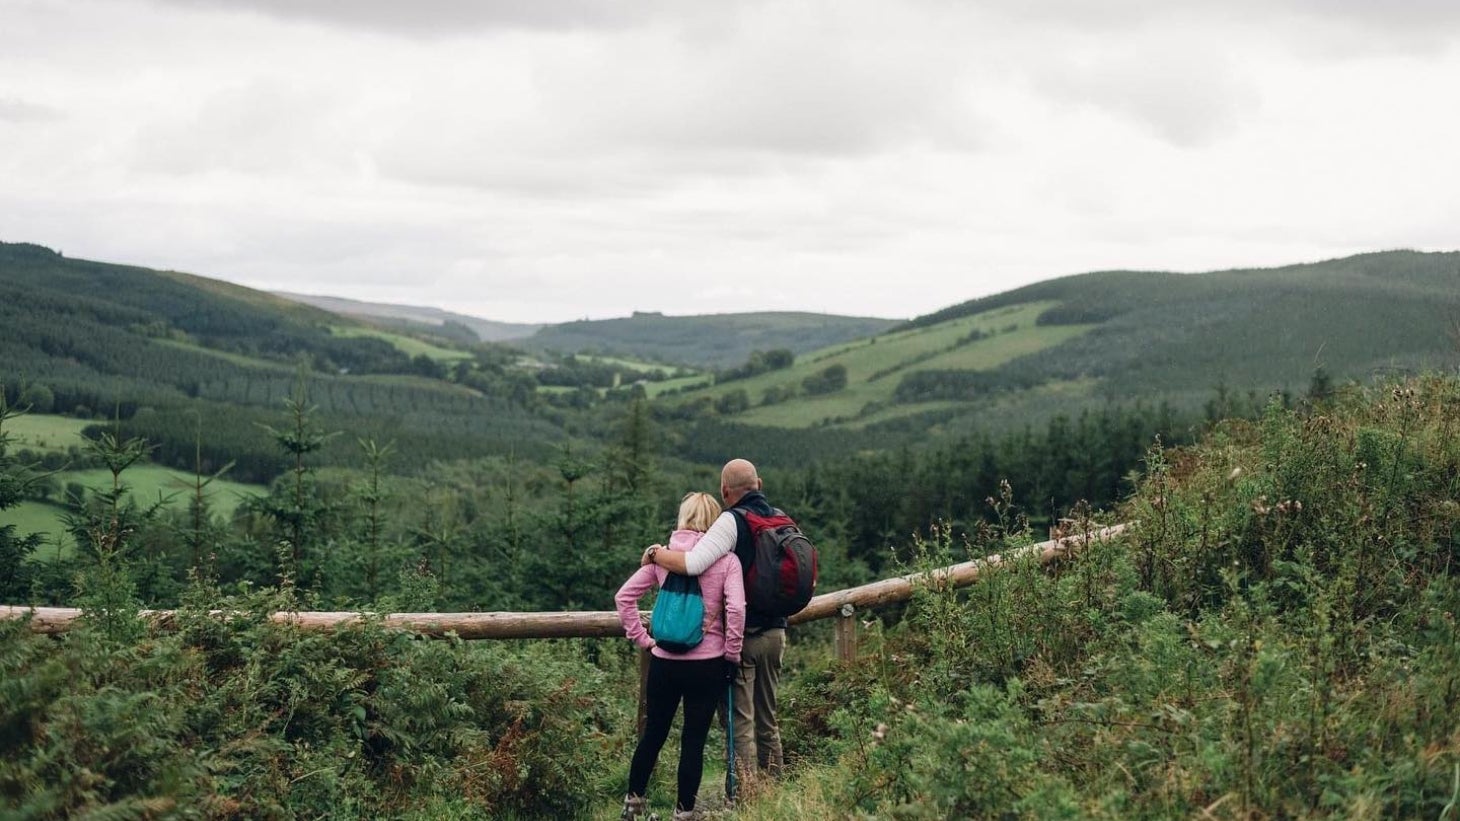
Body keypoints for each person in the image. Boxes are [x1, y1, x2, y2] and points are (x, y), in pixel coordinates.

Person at [643, 458, 787, 785]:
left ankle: (747, 798)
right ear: (759, 484)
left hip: (747, 637)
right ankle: (776, 792)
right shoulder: (779, 518)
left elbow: (693, 563)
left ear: (725, 492)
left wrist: (656, 554)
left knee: (742, 723)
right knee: (769, 720)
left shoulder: (731, 520)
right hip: (778, 633)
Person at [616, 491, 745, 821]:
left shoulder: (663, 557)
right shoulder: (727, 561)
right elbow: (735, 609)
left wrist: (644, 640)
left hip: (664, 662)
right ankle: (683, 813)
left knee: (654, 734)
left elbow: (624, 598)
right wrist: (731, 654)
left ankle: (633, 807)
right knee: (694, 740)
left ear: (683, 518)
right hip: (708, 664)